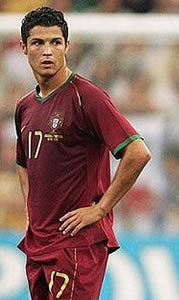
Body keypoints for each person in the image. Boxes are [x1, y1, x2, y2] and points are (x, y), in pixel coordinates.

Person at [15, 7, 151, 299]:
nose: (48, 51)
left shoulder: (87, 97)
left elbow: (138, 153)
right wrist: (32, 212)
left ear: (67, 46)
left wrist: (101, 209)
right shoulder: (25, 106)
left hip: (76, 241)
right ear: (24, 48)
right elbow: (24, 163)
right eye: (38, 43)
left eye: (55, 42)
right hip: (39, 241)